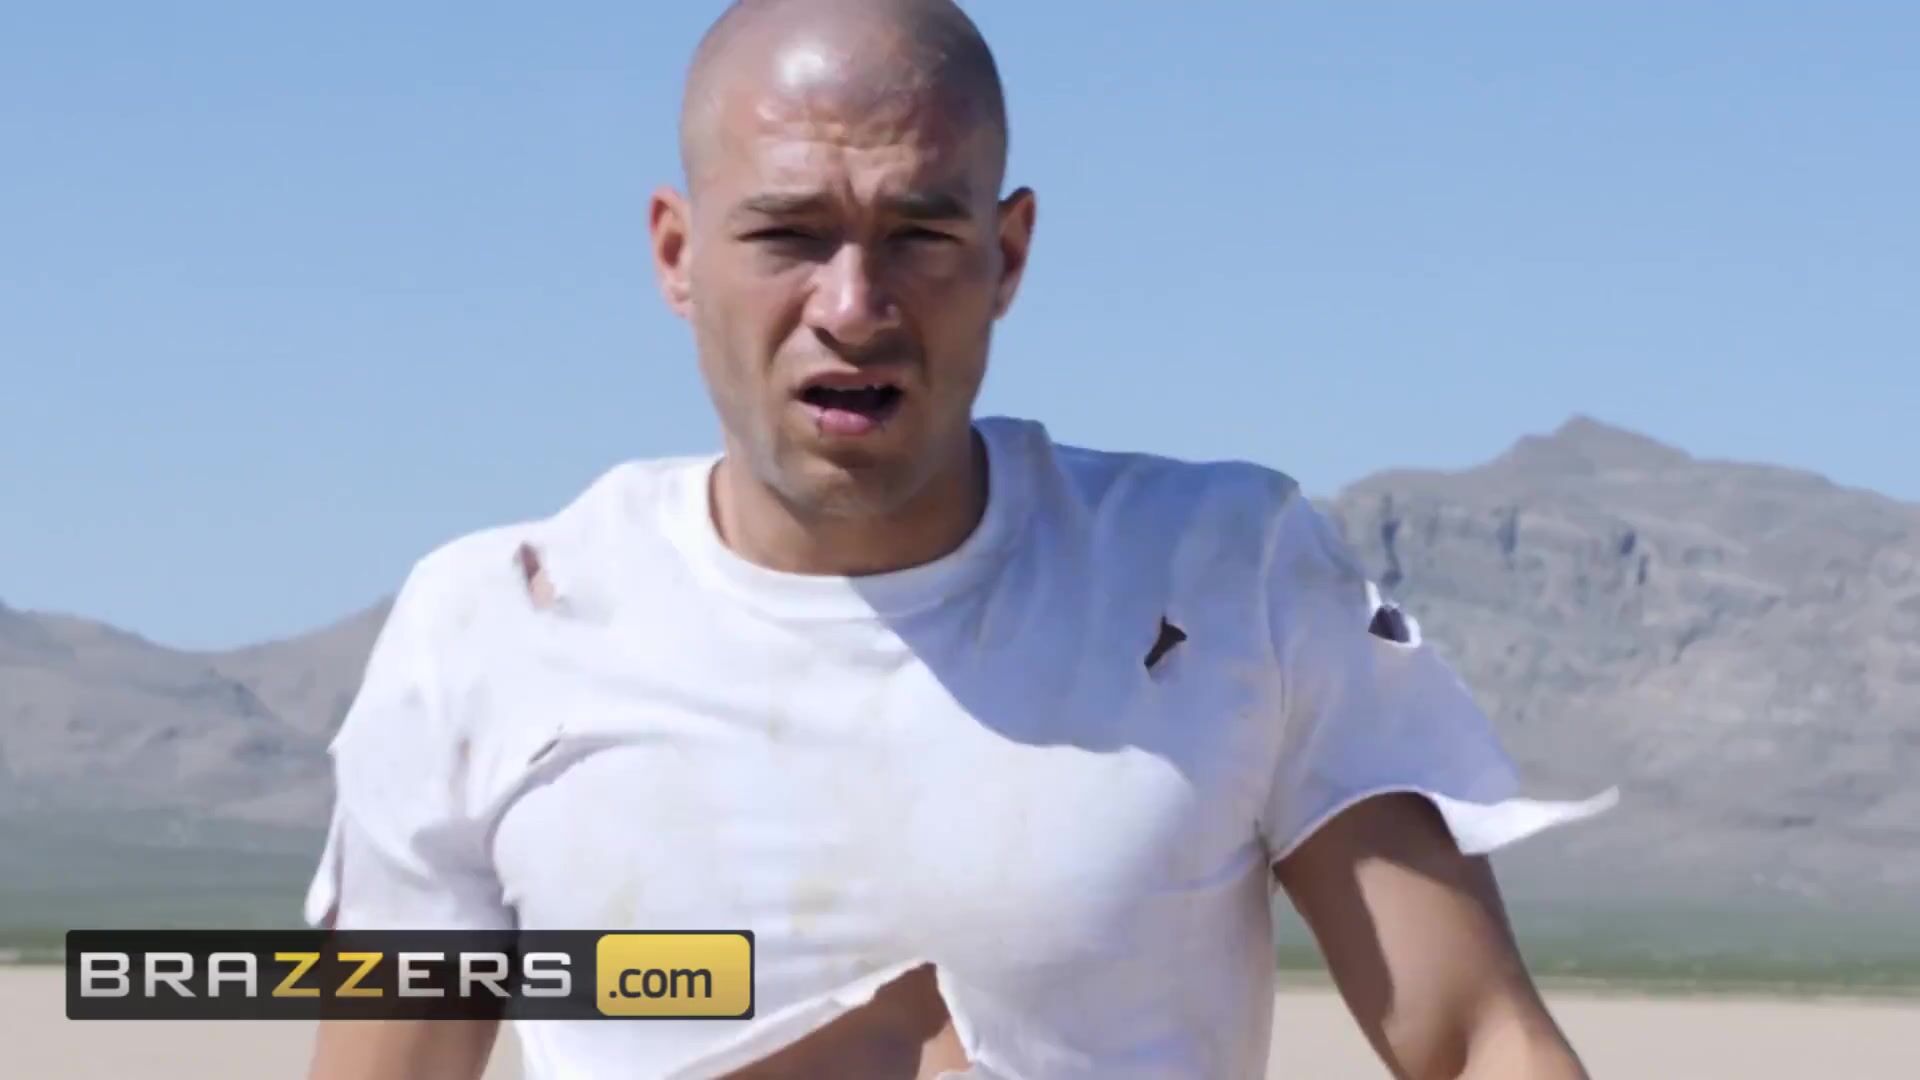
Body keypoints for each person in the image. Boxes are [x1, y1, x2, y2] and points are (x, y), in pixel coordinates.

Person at [304, 1, 1614, 1076]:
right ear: (678, 253)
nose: (852, 305)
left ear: (1008, 255)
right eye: (788, 235)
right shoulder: (494, 631)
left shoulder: (1226, 577)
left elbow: (1476, 1042)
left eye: (919, 236)